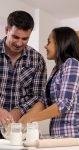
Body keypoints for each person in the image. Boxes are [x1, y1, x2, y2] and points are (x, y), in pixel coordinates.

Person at [19, 27, 79, 138]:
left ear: (60, 43)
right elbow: (43, 101)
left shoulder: (72, 64)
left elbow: (63, 105)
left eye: (49, 42)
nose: (45, 46)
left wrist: (31, 118)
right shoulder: (56, 70)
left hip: (72, 137)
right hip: (58, 137)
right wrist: (22, 120)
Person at [0, 10, 47, 138]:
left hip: (18, 130)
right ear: (6, 30)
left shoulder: (37, 60)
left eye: (25, 38)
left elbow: (38, 96)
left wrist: (19, 110)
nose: (19, 43)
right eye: (15, 37)